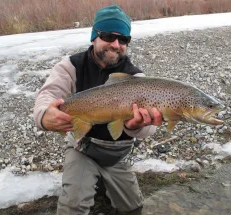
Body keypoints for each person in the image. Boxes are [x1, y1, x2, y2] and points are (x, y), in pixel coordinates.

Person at [33, 4, 163, 215]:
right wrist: (45, 116)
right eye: (109, 36)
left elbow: (150, 128)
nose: (116, 44)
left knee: (133, 208)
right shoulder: (71, 66)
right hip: (82, 148)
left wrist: (136, 127)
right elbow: (48, 94)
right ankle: (92, 181)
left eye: (123, 39)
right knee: (73, 207)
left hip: (116, 154)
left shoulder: (137, 79)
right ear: (94, 37)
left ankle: (102, 183)